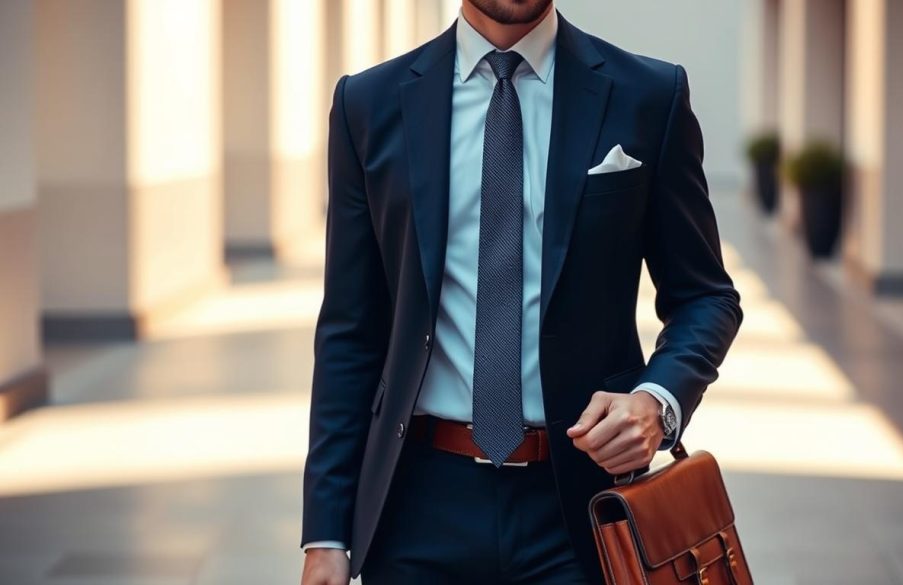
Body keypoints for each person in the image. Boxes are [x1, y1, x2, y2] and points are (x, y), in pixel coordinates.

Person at [300, 1, 742, 583]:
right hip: (417, 508)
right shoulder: (370, 104)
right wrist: (326, 534)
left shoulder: (648, 95)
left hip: (584, 511)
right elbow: (350, 332)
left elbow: (706, 295)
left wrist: (656, 402)